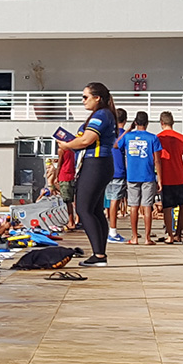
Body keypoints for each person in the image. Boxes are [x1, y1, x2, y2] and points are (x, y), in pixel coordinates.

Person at [56, 82, 118, 267]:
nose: (83, 101)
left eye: (85, 97)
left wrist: (67, 145)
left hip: (96, 163)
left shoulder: (101, 115)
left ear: (97, 98)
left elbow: (86, 140)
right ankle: (100, 254)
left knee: (83, 209)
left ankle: (99, 255)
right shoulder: (104, 114)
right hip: (99, 164)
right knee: (96, 210)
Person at [118, 111, 162, 245]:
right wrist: (160, 179)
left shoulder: (128, 137)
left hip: (132, 175)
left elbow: (115, 145)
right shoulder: (153, 138)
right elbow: (157, 161)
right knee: (147, 206)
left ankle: (134, 237)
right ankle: (147, 238)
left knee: (133, 206)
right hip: (148, 175)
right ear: (147, 123)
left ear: (135, 122)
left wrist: (127, 130)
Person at [156, 111, 183, 244]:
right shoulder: (182, 138)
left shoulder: (158, 138)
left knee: (167, 208)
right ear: (173, 122)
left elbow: (156, 160)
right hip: (181, 177)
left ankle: (170, 236)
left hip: (165, 178)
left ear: (161, 123)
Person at [106, 108, 129, 243]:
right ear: (125, 120)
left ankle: (109, 229)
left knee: (109, 201)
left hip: (107, 171)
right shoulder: (125, 135)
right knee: (115, 201)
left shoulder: (108, 134)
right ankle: (112, 231)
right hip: (119, 172)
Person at [55, 141, 79, 232]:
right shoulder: (73, 149)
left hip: (64, 176)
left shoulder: (62, 150)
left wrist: (56, 177)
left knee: (67, 201)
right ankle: (77, 220)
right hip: (73, 175)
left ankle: (71, 222)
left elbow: (60, 164)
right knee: (74, 200)